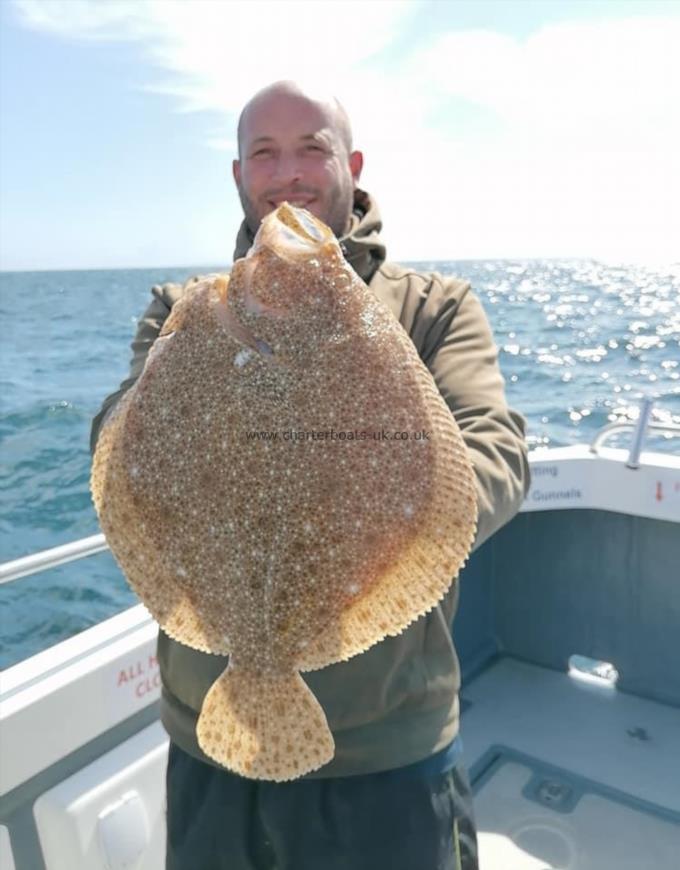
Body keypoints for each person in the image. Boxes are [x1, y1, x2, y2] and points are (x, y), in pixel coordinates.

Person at [91, 80, 530, 870]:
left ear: (352, 166)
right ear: (238, 176)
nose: (287, 173)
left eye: (311, 148)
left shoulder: (431, 310)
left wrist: (372, 468)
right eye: (265, 152)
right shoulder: (180, 308)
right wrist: (185, 365)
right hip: (205, 743)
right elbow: (119, 449)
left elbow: (496, 457)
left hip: (386, 757)